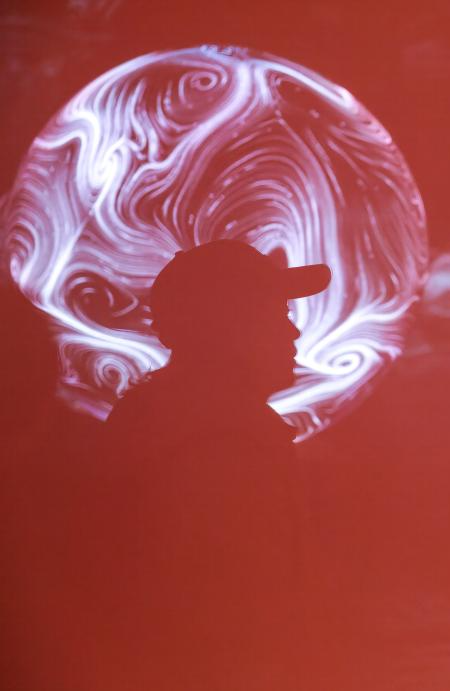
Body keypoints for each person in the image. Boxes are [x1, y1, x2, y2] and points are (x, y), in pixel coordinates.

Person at [87, 240, 331, 690]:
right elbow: (230, 616)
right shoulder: (221, 442)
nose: (292, 332)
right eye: (277, 314)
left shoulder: (171, 416)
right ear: (232, 327)